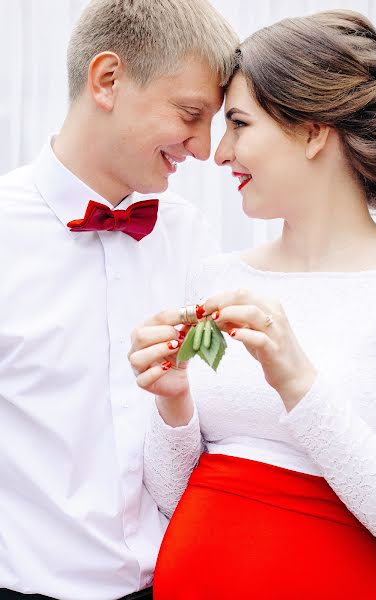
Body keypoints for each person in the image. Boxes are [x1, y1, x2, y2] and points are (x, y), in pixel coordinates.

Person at [128, 10, 376, 599]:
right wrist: (172, 402)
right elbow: (172, 497)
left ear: (311, 132)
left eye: (239, 123)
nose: (219, 153)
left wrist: (297, 381)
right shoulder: (215, 278)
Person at [0, 1, 238, 598]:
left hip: (174, 582)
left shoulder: (190, 236)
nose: (205, 149)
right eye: (191, 113)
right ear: (107, 80)